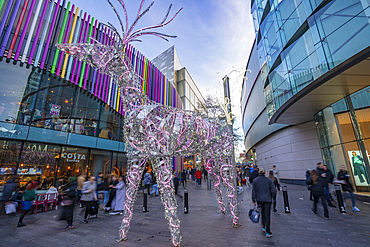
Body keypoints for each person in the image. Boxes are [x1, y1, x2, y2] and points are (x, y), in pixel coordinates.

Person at [252, 168, 275, 238]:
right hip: (267, 199)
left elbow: (254, 191)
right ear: (265, 173)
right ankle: (268, 231)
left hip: (259, 199)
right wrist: (271, 196)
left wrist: (254, 200)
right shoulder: (269, 181)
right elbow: (273, 190)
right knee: (267, 214)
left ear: (259, 172)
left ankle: (263, 226)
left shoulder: (255, 181)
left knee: (262, 212)